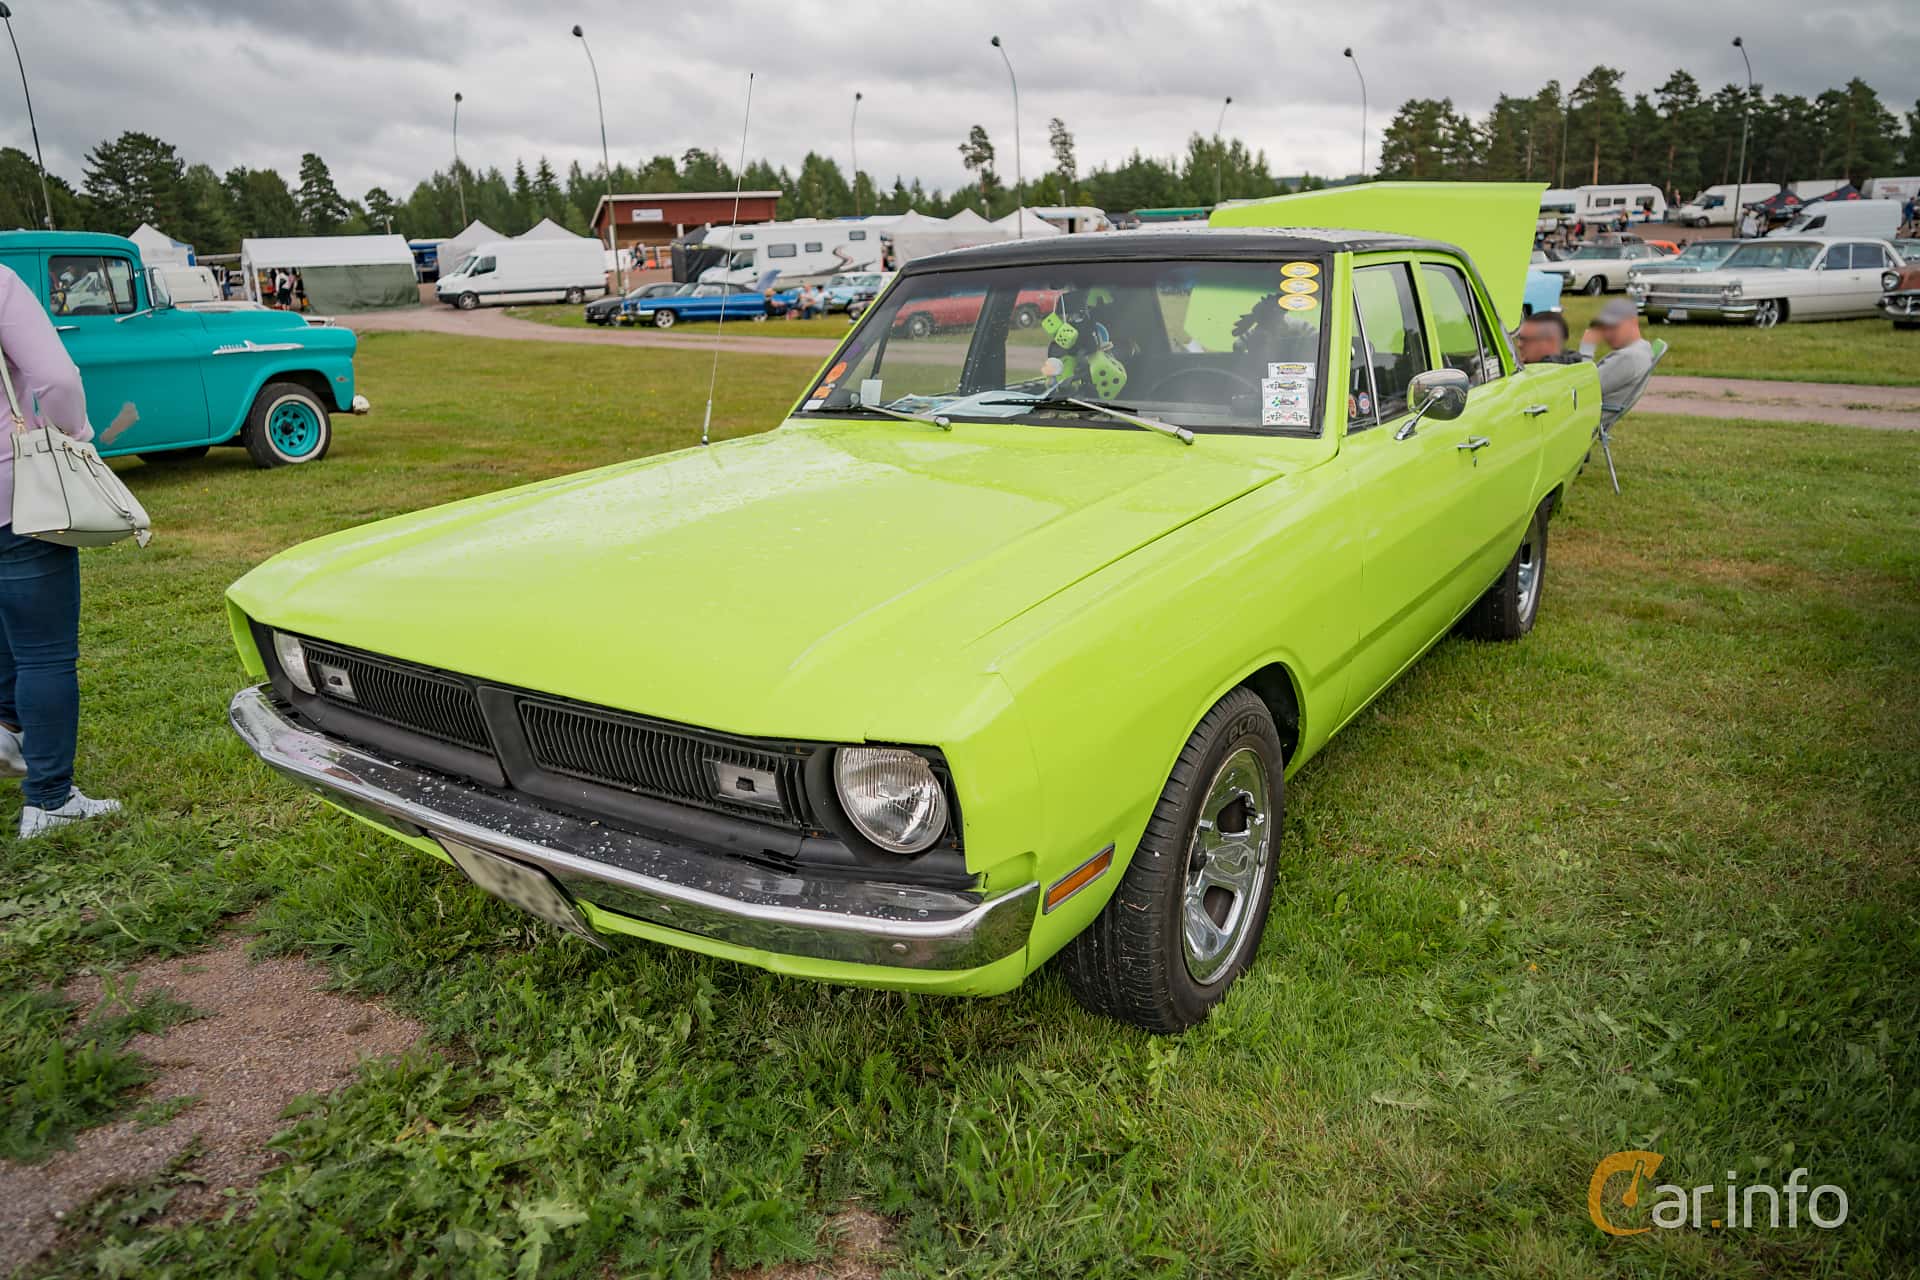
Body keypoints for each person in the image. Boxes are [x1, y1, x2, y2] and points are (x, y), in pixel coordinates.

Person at [0, 264, 121, 837]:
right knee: (44, 651)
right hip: (14, 493)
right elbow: (56, 377)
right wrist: (75, 436)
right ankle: (49, 799)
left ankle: (10, 732)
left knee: (7, 630)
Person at [1580, 298, 1656, 409]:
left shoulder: (1629, 358)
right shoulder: (1644, 348)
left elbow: (1583, 390)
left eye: (1614, 327)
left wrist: (1586, 349)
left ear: (1633, 322)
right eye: (1604, 328)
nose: (1607, 334)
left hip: (1580, 418)